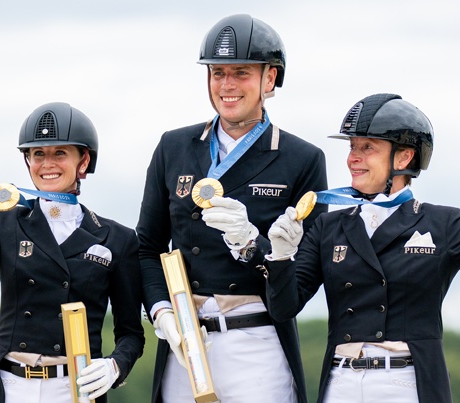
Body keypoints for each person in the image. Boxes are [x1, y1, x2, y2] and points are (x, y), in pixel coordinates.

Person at [263, 93, 460, 403]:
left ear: (403, 157)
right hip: (342, 381)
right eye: (352, 147)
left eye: (367, 148)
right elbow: (284, 308)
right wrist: (280, 256)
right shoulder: (327, 227)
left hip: (406, 383)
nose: (353, 158)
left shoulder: (443, 223)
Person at [136, 13, 328, 403]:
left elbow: (302, 281)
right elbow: (147, 246)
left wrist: (251, 244)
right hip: (186, 340)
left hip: (256, 340)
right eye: (217, 72)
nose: (226, 85)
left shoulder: (302, 159)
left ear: (269, 78)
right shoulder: (173, 147)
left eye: (240, 72)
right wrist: (160, 310)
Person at [0, 102, 145, 403]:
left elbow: (131, 334)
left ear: (83, 161)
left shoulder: (117, 239)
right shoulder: (4, 223)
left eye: (60, 153)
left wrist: (115, 366)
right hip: (11, 386)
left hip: (77, 388)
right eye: (38, 154)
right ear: (28, 161)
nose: (47, 164)